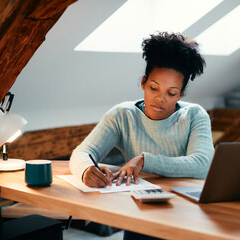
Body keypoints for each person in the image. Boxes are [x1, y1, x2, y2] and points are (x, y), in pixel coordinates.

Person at [70, 31, 214, 188]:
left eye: (171, 93)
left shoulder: (194, 115)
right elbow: (82, 152)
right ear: (143, 83)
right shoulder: (123, 115)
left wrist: (144, 161)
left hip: (185, 203)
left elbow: (202, 165)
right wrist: (85, 170)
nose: (160, 98)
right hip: (138, 201)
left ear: (181, 94)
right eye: (154, 88)